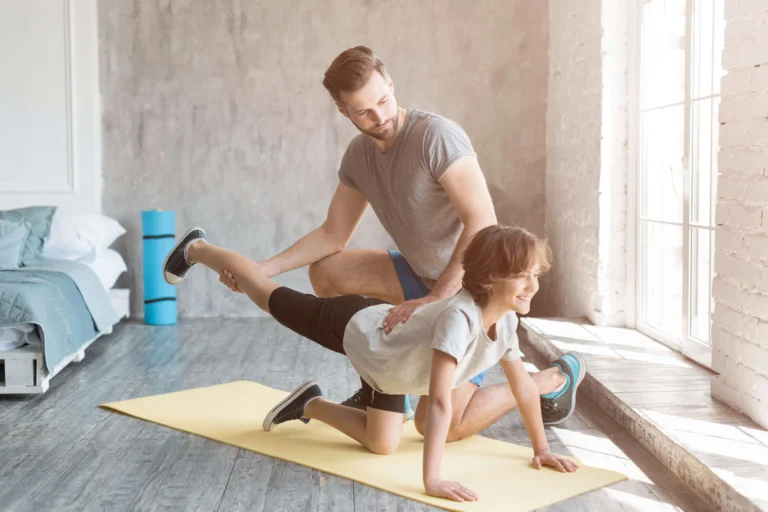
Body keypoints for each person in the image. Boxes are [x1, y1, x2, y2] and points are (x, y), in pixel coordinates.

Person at [215, 45, 577, 429]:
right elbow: (332, 233)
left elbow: (482, 222)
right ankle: (381, 388)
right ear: (343, 112)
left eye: (384, 101)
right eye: (364, 112)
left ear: (390, 83)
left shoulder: (436, 137)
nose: (381, 116)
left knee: (442, 426)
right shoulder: (359, 156)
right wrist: (261, 269)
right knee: (327, 273)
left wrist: (436, 298)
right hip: (418, 277)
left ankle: (552, 378)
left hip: (467, 293)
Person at [163, 224, 586, 503]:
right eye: (525, 276)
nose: (534, 285)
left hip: (392, 367)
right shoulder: (460, 319)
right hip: (357, 328)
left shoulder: (507, 320)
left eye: (536, 274)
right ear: (492, 278)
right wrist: (432, 480)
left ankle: (308, 403)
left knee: (383, 443)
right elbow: (438, 404)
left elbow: (523, 387)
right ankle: (199, 248)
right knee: (263, 290)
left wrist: (542, 449)